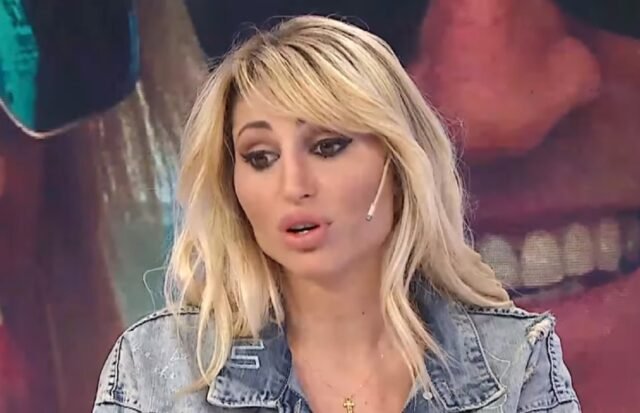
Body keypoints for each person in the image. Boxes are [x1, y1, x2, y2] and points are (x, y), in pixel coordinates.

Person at [93, 15, 580, 412]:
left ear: (398, 165)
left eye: (327, 146)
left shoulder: (514, 360)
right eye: (260, 157)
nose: (293, 186)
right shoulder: (157, 368)